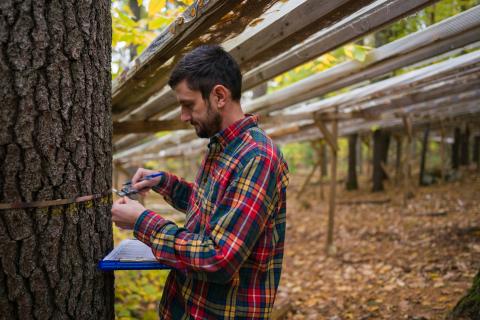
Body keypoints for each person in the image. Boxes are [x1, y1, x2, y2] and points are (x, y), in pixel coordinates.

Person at [111, 45, 289, 319]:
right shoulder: (223, 146)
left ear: (219, 96)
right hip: (186, 306)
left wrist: (141, 221)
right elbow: (215, 207)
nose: (183, 116)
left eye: (188, 104)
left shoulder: (258, 158)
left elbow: (219, 258)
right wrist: (163, 181)